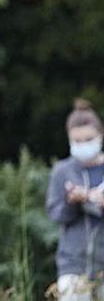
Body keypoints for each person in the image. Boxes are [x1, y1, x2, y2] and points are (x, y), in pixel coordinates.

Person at [47, 99, 104, 301]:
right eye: (77, 141)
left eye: (88, 139)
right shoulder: (63, 171)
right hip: (72, 263)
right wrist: (73, 201)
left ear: (100, 136)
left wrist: (95, 202)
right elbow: (56, 214)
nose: (83, 145)